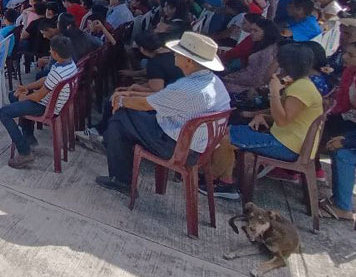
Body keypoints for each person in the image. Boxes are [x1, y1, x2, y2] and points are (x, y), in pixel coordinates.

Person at [95, 31, 231, 194]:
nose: (174, 54)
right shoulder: (215, 83)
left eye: (178, 52)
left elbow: (146, 104)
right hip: (199, 146)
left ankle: (121, 180)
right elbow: (159, 100)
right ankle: (122, 167)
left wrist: (121, 100)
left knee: (120, 119)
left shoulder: (186, 88)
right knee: (128, 118)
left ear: (188, 60)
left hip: (179, 148)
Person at [207, 43, 323, 198]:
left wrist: (274, 92)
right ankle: (224, 180)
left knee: (225, 139)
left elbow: (282, 120)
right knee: (228, 131)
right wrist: (262, 115)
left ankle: (216, 180)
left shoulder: (301, 89)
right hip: (284, 139)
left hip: (288, 147)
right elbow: (286, 113)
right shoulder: (300, 83)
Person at [0, 36, 78, 168]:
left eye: (51, 50)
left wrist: (25, 97)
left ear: (55, 53)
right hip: (52, 101)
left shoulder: (58, 73)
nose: (49, 52)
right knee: (13, 95)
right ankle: (28, 136)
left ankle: (25, 152)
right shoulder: (70, 64)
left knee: (4, 112)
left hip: (46, 107)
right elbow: (46, 80)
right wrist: (26, 88)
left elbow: (38, 97)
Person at [221, 18, 281, 95]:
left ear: (266, 33)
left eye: (255, 31)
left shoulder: (267, 53)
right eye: (251, 30)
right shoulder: (262, 46)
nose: (251, 33)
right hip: (243, 78)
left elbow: (257, 77)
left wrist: (230, 78)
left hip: (248, 85)